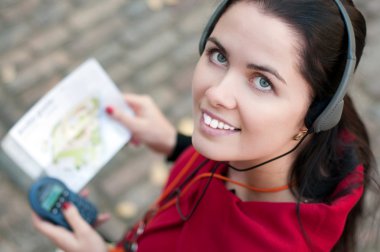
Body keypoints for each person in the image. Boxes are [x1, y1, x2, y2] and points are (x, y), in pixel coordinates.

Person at [32, 0, 379, 251]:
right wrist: (173, 142)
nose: (216, 93)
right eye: (219, 55)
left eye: (262, 82)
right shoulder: (253, 148)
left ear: (318, 112)